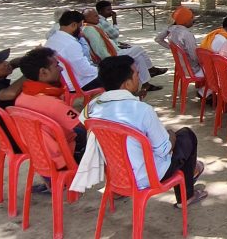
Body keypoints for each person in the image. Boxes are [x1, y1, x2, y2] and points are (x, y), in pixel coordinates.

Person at [82, 55, 208, 205]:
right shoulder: (142, 111)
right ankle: (186, 197)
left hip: (116, 174)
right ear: (128, 83)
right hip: (147, 177)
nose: (139, 76)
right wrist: (171, 135)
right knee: (186, 136)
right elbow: (164, 149)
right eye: (136, 74)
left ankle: (116, 191)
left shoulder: (92, 106)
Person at [16, 47, 87, 167]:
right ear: (43, 72)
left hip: (39, 155)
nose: (61, 68)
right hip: (62, 158)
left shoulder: (22, 97)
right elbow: (85, 124)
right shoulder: (52, 103)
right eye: (57, 65)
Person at [81, 8, 163, 92]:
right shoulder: (90, 30)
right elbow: (99, 49)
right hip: (110, 57)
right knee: (139, 49)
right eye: (95, 16)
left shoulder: (93, 26)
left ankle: (146, 85)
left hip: (115, 51)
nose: (98, 17)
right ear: (87, 18)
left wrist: (119, 45)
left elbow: (108, 41)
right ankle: (151, 69)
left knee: (139, 57)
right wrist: (112, 59)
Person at [46, 10, 103, 91]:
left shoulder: (53, 38)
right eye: (80, 27)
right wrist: (101, 70)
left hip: (65, 81)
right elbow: (84, 70)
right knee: (115, 75)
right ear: (73, 25)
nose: (81, 30)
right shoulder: (71, 44)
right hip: (78, 85)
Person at [155, 6, 202, 76]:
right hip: (192, 69)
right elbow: (194, 57)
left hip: (180, 66)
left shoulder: (171, 29)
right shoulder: (187, 34)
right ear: (186, 21)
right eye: (191, 18)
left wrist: (173, 48)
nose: (193, 20)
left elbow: (158, 39)